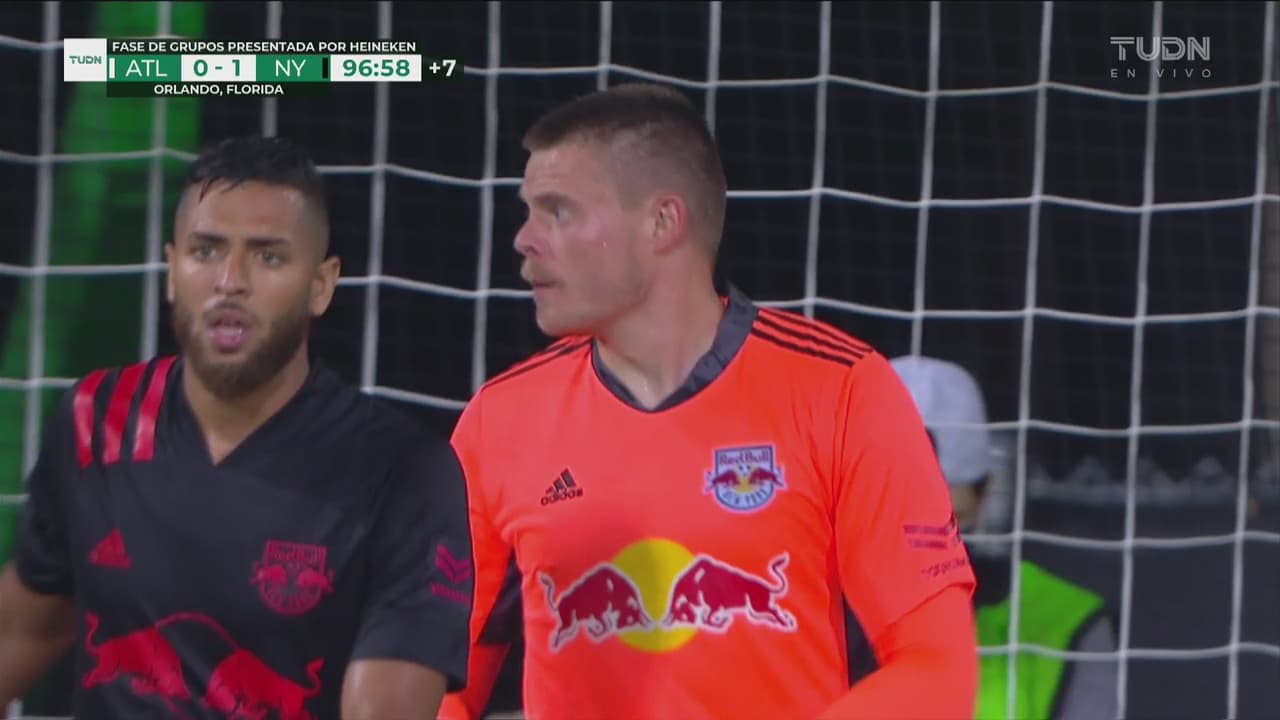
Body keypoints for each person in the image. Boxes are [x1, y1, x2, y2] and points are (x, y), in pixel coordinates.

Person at [439, 83, 978, 720]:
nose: (525, 239)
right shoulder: (499, 421)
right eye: (529, 212)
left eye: (557, 212)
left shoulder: (841, 389)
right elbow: (439, 682)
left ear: (662, 223)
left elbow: (937, 668)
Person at [0, 136, 473, 719]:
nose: (230, 280)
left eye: (268, 257)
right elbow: (26, 629)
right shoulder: (98, 418)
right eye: (205, 251)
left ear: (321, 285)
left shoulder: (400, 470)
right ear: (172, 269)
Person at [888, 355, 1119, 720]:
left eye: (945, 521)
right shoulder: (804, 612)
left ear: (985, 493)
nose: (916, 546)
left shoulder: (1063, 620)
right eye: (889, 515)